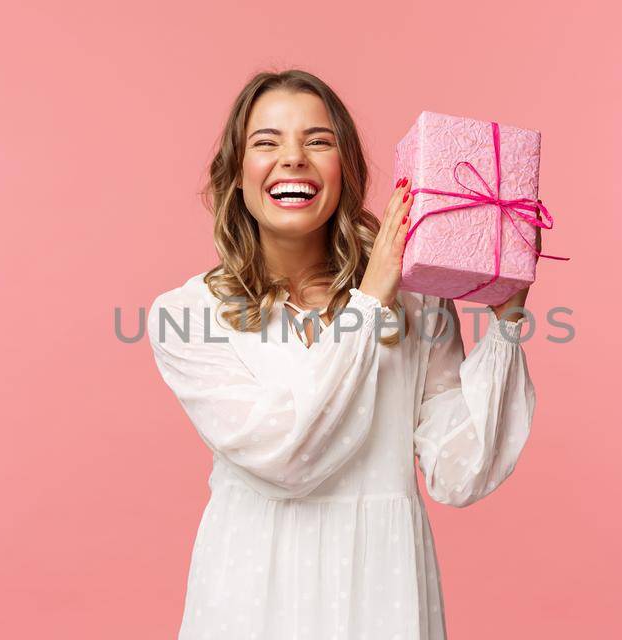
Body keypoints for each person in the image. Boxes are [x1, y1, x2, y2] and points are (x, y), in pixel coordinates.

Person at [147, 68, 539, 639]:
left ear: (346, 170)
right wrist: (370, 301)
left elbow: (460, 476)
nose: (293, 159)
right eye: (266, 142)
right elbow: (286, 459)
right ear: (236, 175)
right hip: (251, 596)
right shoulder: (187, 315)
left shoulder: (419, 303)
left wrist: (506, 320)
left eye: (318, 141)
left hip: (382, 593)